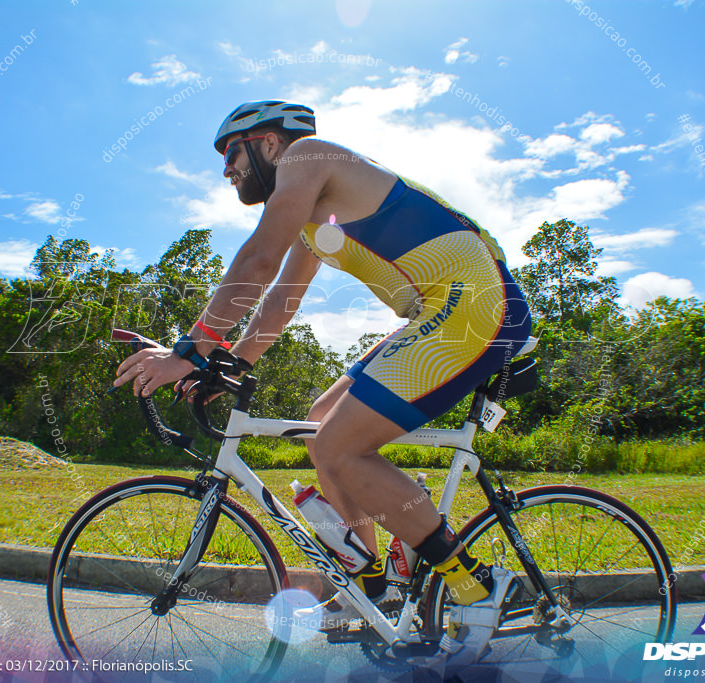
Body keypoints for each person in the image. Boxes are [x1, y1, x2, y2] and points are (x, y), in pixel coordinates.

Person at [113, 100, 532, 650]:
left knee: (338, 448)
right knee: (319, 425)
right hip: (441, 309)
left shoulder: (308, 156)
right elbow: (281, 300)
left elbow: (259, 259)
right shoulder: (315, 221)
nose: (224, 170)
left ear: (268, 143)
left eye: (231, 152)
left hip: (473, 303)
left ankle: (478, 584)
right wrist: (230, 364)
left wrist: (189, 351)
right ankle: (374, 582)